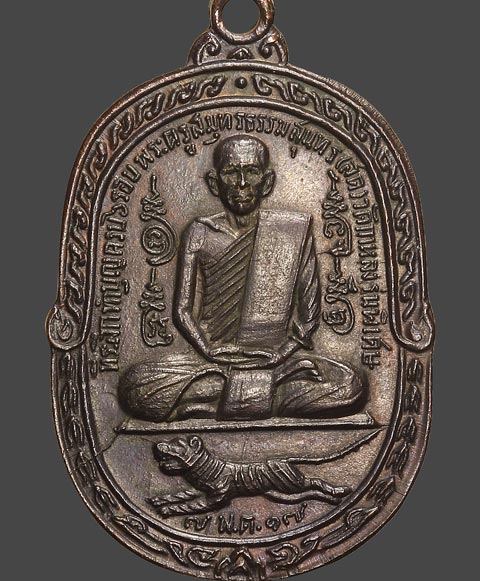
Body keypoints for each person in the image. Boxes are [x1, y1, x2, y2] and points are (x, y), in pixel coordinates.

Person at [119, 135, 363, 421]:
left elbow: (309, 318)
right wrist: (208, 350)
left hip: (275, 362)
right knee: (135, 387)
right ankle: (261, 395)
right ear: (215, 183)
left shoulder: (290, 231)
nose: (242, 184)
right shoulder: (200, 232)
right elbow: (182, 311)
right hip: (213, 362)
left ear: (267, 182)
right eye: (231, 173)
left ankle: (211, 404)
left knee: (350, 385)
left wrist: (281, 355)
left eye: (252, 172)